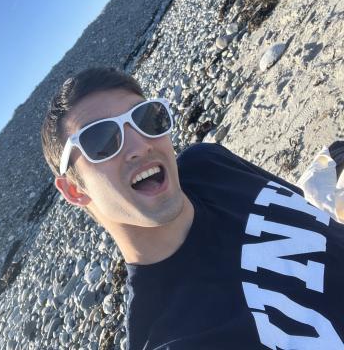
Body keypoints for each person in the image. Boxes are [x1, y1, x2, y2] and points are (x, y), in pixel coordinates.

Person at [40, 67, 344, 350]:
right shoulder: (170, 337)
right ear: (74, 190)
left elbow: (319, 223)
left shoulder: (209, 164)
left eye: (145, 118)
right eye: (102, 141)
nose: (141, 145)